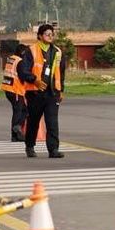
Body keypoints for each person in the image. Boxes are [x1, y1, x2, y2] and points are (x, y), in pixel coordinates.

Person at [19, 24, 66, 158]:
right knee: (33, 121)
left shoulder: (57, 52)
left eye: (52, 34)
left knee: (52, 122)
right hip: (35, 93)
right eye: (47, 34)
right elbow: (23, 71)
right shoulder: (31, 51)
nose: (50, 36)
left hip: (52, 93)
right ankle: (30, 146)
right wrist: (35, 80)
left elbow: (61, 72)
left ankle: (53, 149)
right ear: (40, 36)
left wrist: (61, 90)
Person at [1, 44, 29, 142]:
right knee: (22, 111)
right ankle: (17, 128)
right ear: (22, 52)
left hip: (8, 88)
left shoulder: (11, 59)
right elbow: (23, 76)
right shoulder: (19, 61)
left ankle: (15, 136)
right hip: (15, 90)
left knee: (18, 110)